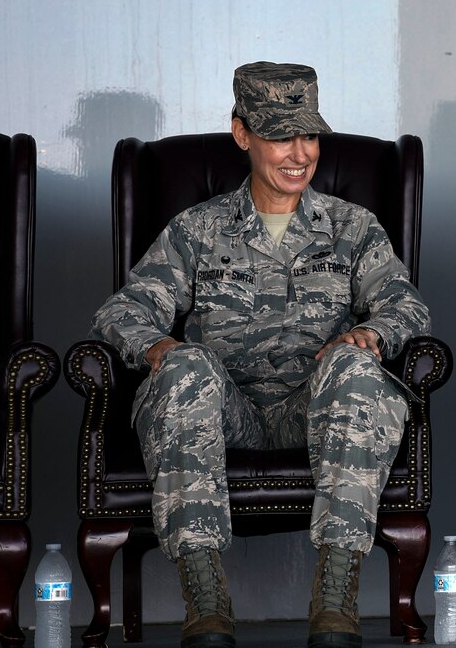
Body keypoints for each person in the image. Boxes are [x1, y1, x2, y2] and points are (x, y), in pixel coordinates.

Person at [91, 62, 431, 648]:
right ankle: (205, 601)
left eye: (309, 135)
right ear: (242, 133)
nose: (299, 153)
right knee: (184, 368)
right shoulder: (197, 230)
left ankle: (336, 596)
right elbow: (121, 312)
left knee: (356, 367)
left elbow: (407, 308)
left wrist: (371, 336)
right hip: (226, 412)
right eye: (280, 135)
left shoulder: (353, 228)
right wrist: (160, 346)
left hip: (317, 406)